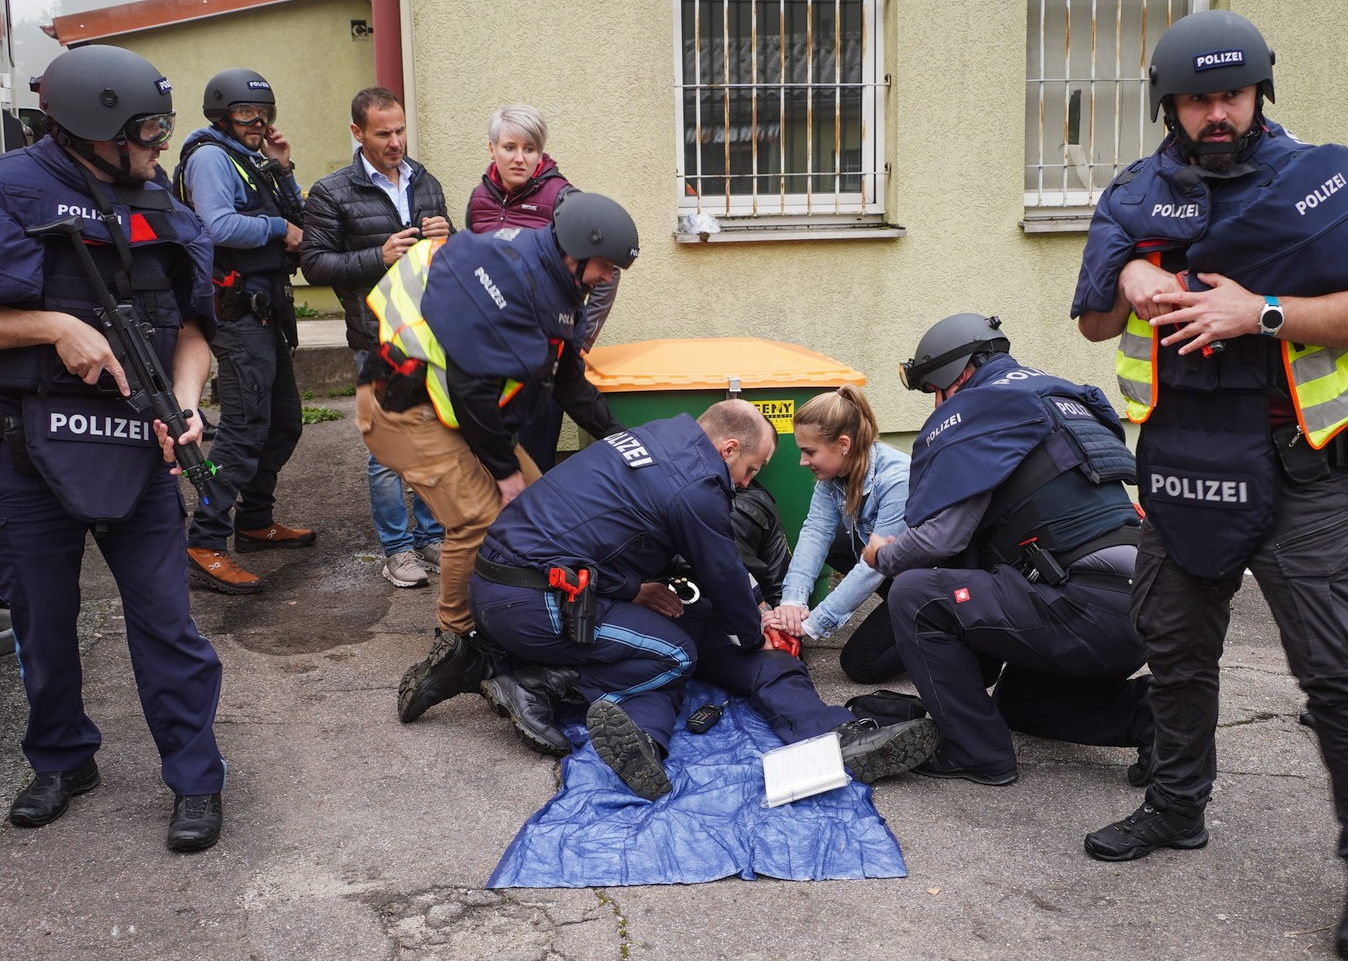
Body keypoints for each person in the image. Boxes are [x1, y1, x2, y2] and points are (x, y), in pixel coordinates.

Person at [1071, 10, 1348, 960]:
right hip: (1182, 466)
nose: (1215, 114)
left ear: (1260, 92)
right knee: (1174, 651)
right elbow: (1098, 326)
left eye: (1231, 95)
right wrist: (1135, 273)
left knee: (1338, 675)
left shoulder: (1315, 187)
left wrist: (1260, 311)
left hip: (1304, 470)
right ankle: (1177, 809)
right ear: (1169, 107)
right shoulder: (1139, 193)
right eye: (1196, 100)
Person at [0, 45, 226, 851]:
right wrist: (55, 326)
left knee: (168, 627)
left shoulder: (162, 204)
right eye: (149, 131)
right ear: (93, 123)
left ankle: (196, 778)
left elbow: (195, 333)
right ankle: (61, 759)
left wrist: (187, 403)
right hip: (25, 451)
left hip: (142, 448)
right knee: (41, 624)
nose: (162, 147)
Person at [469, 401, 938, 800]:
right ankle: (536, 682)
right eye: (751, 469)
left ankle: (657, 745)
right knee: (676, 654)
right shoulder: (697, 486)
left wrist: (765, 612)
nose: (748, 483)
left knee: (684, 653)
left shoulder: (664, 440)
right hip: (543, 598)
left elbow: (725, 565)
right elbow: (720, 567)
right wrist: (759, 630)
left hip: (588, 587)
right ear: (728, 449)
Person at [359, 191, 639, 724]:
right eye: (604, 266)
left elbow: (568, 382)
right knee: (481, 517)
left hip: (460, 411)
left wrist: (621, 438)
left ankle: (505, 621)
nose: (607, 277)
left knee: (533, 510)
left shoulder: (556, 286)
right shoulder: (510, 281)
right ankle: (456, 641)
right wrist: (505, 474)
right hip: (405, 409)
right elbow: (469, 390)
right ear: (576, 251)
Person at [864, 314, 1154, 788]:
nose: (935, 406)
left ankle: (976, 753)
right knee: (1021, 705)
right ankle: (1158, 716)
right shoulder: (1060, 400)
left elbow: (940, 540)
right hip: (1139, 612)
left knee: (916, 594)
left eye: (934, 391)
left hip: (1084, 610)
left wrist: (882, 556)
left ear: (957, 375)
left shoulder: (985, 413)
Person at [300, 86, 453, 589]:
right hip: (375, 336)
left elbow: (447, 260)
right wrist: (378, 256)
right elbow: (313, 264)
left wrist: (447, 237)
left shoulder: (425, 181)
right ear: (357, 133)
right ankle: (397, 549)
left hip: (431, 332)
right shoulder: (330, 191)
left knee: (434, 441)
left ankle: (430, 536)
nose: (395, 141)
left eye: (401, 130)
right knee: (387, 452)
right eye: (383, 133)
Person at [176, 67, 313, 594]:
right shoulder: (211, 157)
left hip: (267, 309)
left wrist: (282, 166)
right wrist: (278, 229)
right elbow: (217, 226)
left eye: (265, 114)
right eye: (246, 114)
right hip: (237, 313)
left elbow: (300, 218)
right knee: (245, 428)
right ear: (221, 115)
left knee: (283, 422)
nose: (258, 122)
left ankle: (255, 521)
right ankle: (205, 542)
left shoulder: (253, 160)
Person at [467, 104, 620, 472]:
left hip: (543, 359)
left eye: (530, 149)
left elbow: (607, 271)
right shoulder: (480, 198)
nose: (519, 158)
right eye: (509, 147)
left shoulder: (562, 198)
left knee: (533, 467)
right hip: (491, 358)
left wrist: (581, 339)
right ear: (492, 149)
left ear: (540, 152)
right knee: (491, 465)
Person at [764, 386, 909, 683]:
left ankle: (951, 635)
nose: (803, 461)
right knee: (834, 543)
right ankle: (898, 616)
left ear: (843, 444)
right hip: (895, 573)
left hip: (931, 586)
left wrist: (815, 623)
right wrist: (792, 602)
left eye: (809, 451)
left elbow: (875, 565)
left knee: (860, 665)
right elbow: (815, 532)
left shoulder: (897, 480)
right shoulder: (834, 476)